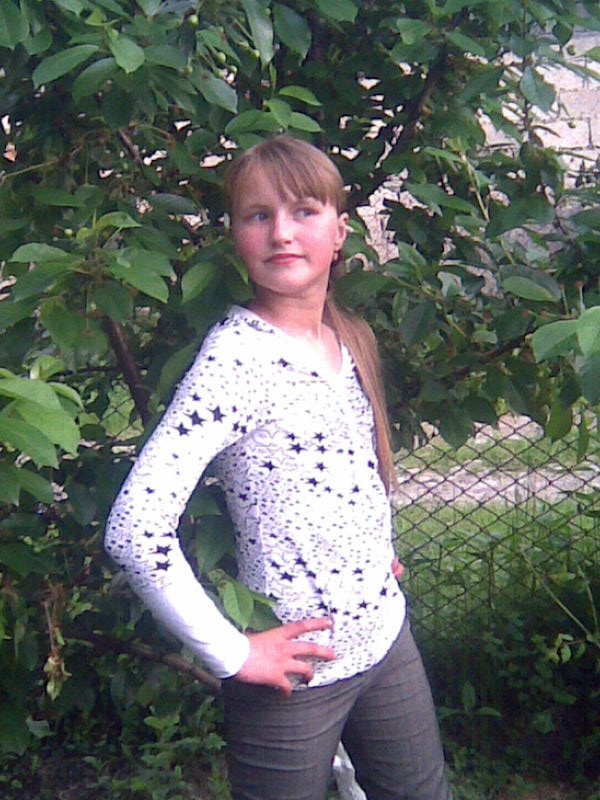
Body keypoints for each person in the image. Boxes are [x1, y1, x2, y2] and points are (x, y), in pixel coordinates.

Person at [105, 135, 453, 800]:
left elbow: (350, 466)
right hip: (294, 674)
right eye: (258, 215)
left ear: (340, 231)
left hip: (385, 640)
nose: (282, 233)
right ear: (235, 236)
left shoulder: (346, 338)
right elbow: (134, 530)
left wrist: (372, 550)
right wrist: (233, 652)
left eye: (303, 211)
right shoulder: (235, 362)